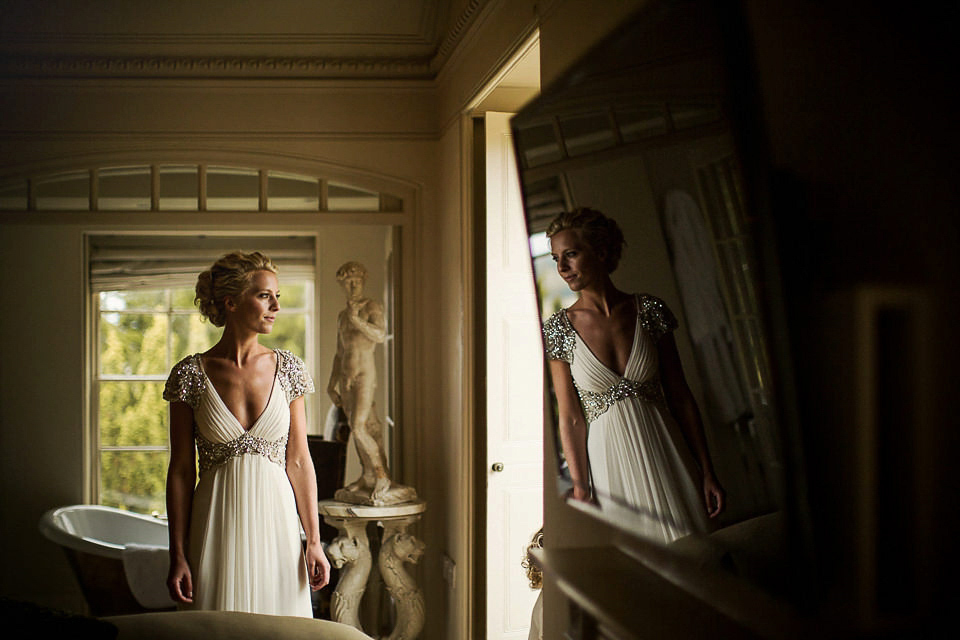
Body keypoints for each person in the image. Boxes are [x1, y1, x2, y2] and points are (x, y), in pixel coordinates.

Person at [542, 208, 725, 543]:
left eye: (571, 254)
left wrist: (706, 470)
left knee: (695, 556)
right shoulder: (558, 329)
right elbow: (569, 419)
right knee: (641, 569)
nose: (562, 268)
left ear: (600, 251)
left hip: (666, 450)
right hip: (609, 463)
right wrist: (581, 486)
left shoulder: (650, 310)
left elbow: (680, 396)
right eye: (556, 258)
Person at [163, 251, 330, 616]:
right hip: (214, 526)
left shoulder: (288, 369)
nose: (275, 307)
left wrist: (314, 541)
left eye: (277, 297)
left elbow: (299, 461)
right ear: (231, 302)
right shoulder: (189, 374)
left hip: (277, 524)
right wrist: (177, 554)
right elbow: (179, 471)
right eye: (264, 295)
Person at [327, 261, 415, 506]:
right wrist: (331, 383)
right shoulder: (342, 315)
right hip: (346, 378)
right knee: (366, 428)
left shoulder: (371, 306)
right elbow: (339, 352)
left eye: (356, 281)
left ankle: (381, 475)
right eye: (348, 282)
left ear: (363, 281)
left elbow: (379, 335)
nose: (353, 286)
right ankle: (366, 476)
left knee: (358, 426)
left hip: (365, 375)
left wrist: (359, 322)